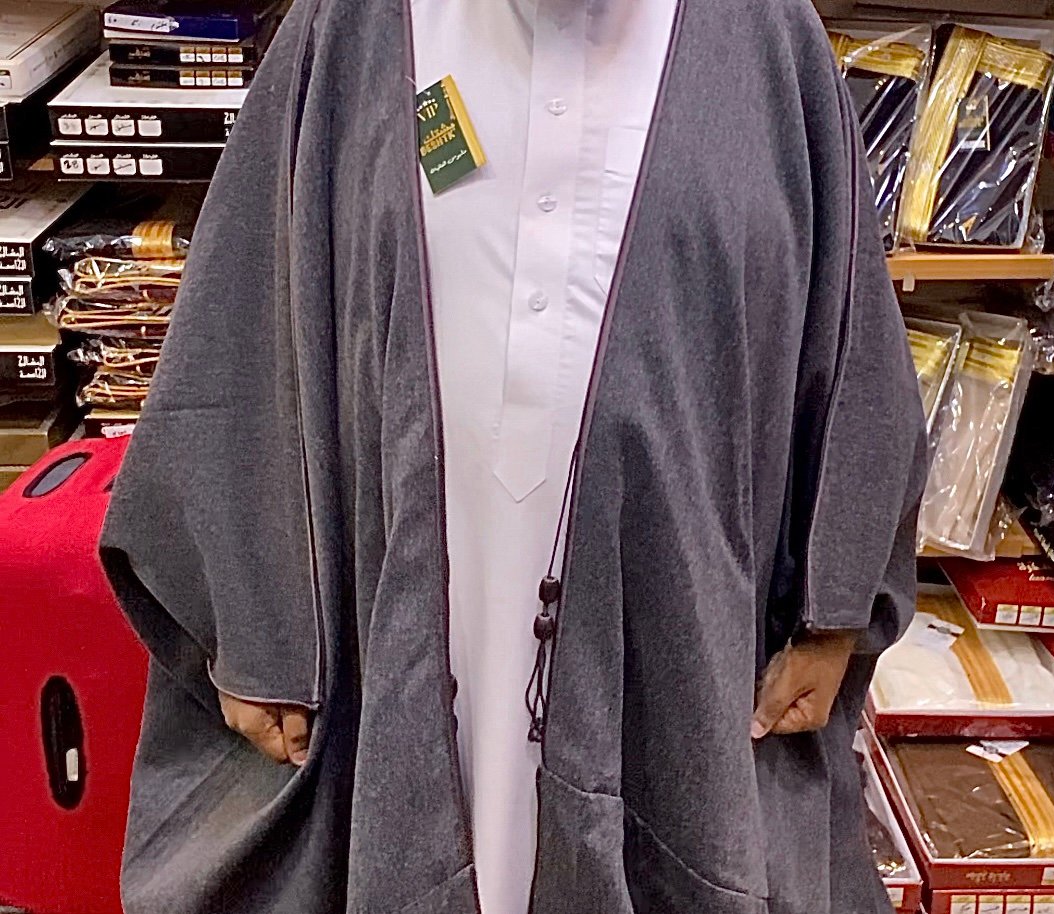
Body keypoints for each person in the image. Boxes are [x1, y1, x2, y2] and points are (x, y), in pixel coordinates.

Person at [100, 0, 928, 911]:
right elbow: (244, 337)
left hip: (674, 641)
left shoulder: (767, 41)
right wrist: (257, 630)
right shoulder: (350, 31)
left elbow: (846, 346)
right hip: (390, 625)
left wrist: (830, 615)